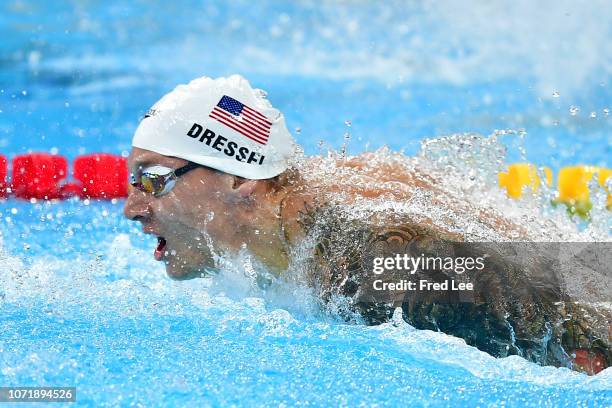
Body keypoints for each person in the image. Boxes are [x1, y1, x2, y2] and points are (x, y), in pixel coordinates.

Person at [124, 75, 610, 374]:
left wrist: (581, 354)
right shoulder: (310, 207)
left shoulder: (363, 266)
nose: (131, 207)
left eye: (153, 181)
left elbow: (551, 308)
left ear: (238, 179)